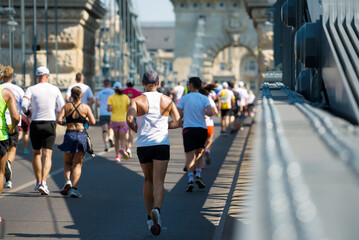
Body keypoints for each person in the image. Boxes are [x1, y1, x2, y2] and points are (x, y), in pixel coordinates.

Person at [126, 71, 181, 236]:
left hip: (144, 144)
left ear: (143, 83)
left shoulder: (136, 100)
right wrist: (165, 127)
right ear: (158, 83)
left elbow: (129, 119)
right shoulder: (167, 100)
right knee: (160, 182)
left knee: (148, 180)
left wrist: (138, 130)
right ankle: (158, 209)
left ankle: (150, 216)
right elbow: (178, 122)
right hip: (161, 143)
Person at [21, 66, 65, 195]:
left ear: (36, 76)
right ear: (48, 75)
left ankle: (37, 181)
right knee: (48, 155)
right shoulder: (55, 89)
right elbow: (61, 107)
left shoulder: (31, 89)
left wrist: (29, 112)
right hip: (50, 123)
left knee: (36, 154)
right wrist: (53, 110)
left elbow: (23, 105)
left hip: (35, 123)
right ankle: (44, 182)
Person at [57, 87, 96, 198]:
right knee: (77, 164)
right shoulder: (86, 107)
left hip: (69, 134)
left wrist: (66, 124)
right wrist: (85, 120)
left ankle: (68, 181)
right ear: (81, 95)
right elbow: (93, 121)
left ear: (71, 95)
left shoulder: (66, 106)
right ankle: (74, 189)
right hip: (81, 135)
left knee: (67, 162)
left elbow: (59, 120)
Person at [177, 77, 213, 192]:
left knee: (189, 155)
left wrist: (180, 121)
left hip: (188, 129)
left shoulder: (185, 98)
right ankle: (198, 175)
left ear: (191, 85)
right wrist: (203, 112)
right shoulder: (204, 98)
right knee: (199, 152)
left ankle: (190, 180)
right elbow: (211, 112)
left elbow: (178, 115)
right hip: (202, 129)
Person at [2, 66, 24, 188]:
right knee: (12, 148)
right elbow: (25, 106)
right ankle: (8, 164)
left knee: (2, 150)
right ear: (12, 76)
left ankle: (6, 169)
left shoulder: (1, 89)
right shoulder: (18, 90)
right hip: (14, 122)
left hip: (1, 123)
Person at [0, 64, 20, 196]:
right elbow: (16, 116)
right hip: (0, 135)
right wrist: (12, 127)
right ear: (2, 76)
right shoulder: (6, 92)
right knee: (1, 172)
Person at [107, 82, 130, 161]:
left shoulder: (111, 97)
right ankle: (123, 148)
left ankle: (117, 155)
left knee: (116, 139)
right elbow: (128, 108)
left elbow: (109, 109)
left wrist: (113, 108)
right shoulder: (126, 97)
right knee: (122, 138)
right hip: (123, 120)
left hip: (114, 120)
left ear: (114, 89)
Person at [199, 84, 218, 166]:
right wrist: (208, 114)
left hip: (200, 124)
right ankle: (207, 151)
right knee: (209, 142)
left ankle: (201, 163)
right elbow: (216, 111)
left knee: (201, 144)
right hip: (209, 124)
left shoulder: (198, 99)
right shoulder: (209, 99)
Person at [122, 80, 142, 158]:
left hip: (124, 114)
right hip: (133, 114)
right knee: (131, 131)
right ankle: (129, 148)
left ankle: (126, 146)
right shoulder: (137, 93)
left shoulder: (122, 92)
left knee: (125, 132)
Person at [95, 79, 115, 152]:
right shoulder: (113, 92)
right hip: (111, 113)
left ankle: (106, 144)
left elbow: (97, 104)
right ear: (110, 84)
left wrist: (101, 106)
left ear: (103, 84)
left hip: (103, 113)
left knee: (104, 130)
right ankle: (110, 137)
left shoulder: (100, 92)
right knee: (111, 128)